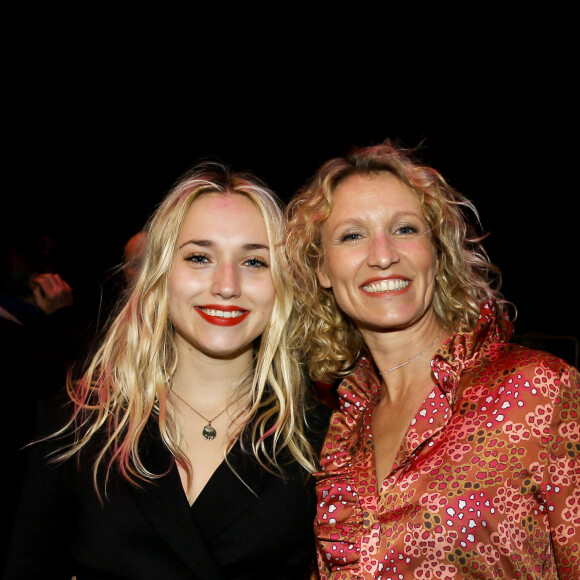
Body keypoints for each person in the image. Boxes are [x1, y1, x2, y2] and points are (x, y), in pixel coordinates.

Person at [5, 161, 330, 579]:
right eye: (199, 257)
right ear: (159, 276)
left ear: (283, 284)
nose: (227, 284)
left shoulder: (320, 440)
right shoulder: (77, 423)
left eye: (254, 262)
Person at [285, 140, 580, 579]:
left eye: (405, 229)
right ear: (323, 270)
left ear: (436, 251)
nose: (383, 255)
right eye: (352, 235)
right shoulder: (341, 433)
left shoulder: (537, 389)